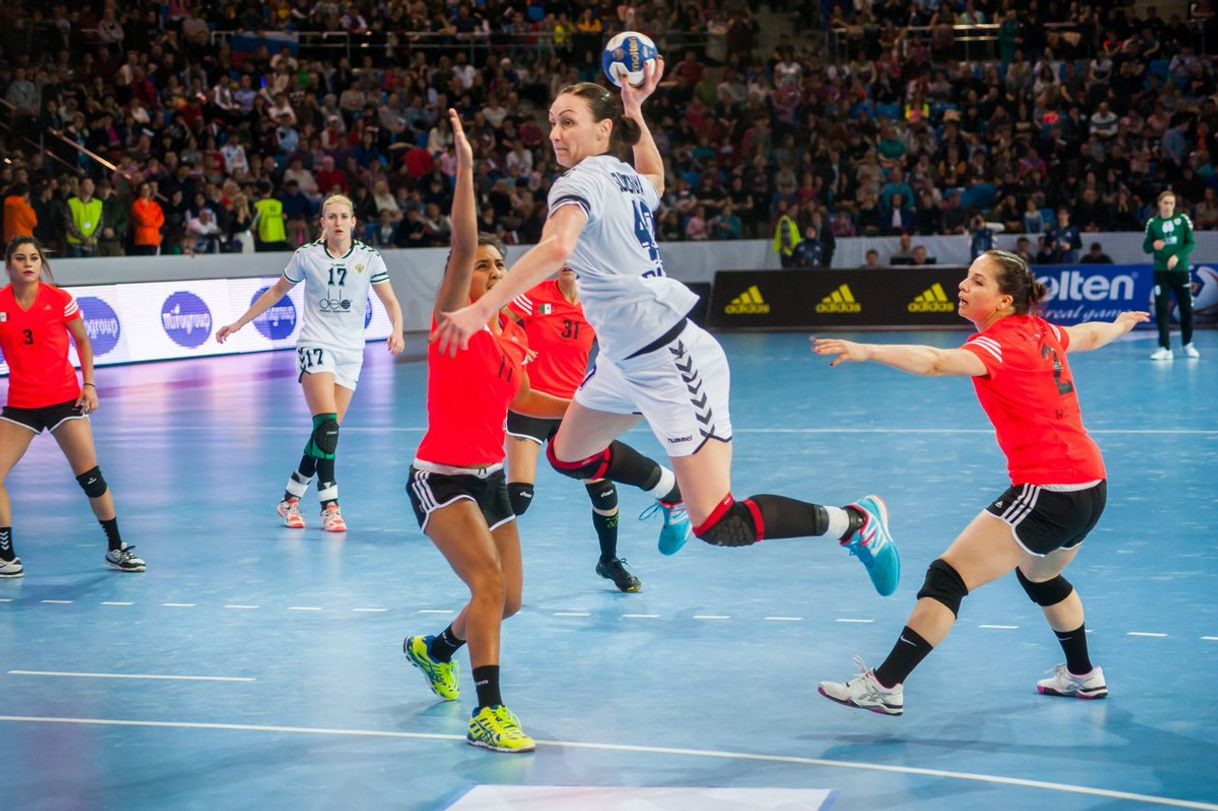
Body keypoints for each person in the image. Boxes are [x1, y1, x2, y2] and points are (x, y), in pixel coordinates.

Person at [433, 65, 898, 595]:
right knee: (566, 453)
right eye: (552, 123)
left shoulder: (578, 182)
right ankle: (668, 491)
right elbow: (654, 175)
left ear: (602, 131)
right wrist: (636, 109)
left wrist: (479, 310)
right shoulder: (622, 178)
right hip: (621, 361)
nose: (556, 133)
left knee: (720, 523)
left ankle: (856, 524)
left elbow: (557, 248)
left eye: (568, 122)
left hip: (671, 360)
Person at [813, 250, 1149, 716]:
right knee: (1041, 575)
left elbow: (933, 361)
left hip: (1048, 489)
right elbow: (1089, 335)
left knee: (948, 577)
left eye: (977, 281)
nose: (963, 287)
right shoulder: (1042, 331)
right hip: (1091, 485)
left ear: (1003, 300)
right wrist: (1120, 325)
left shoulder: (999, 343)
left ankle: (885, 685)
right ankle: (1083, 676)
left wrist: (866, 350)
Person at [401, 110, 570, 754]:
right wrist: (466, 171)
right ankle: (488, 714)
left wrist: (601, 408)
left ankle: (433, 648)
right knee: (488, 585)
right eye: (485, 266)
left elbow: (526, 397)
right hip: (439, 479)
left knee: (511, 600)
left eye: (502, 268)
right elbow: (464, 243)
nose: (495, 273)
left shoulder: (509, 336)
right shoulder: (453, 323)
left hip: (489, 476)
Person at [216, 194, 405, 532]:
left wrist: (398, 329)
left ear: (353, 221)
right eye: (330, 216)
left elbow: (389, 299)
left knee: (325, 435)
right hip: (316, 344)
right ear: (322, 222)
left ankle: (289, 499)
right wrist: (238, 324)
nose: (336, 222)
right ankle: (330, 506)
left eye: (343, 216)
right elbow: (276, 292)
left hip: (351, 351)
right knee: (328, 427)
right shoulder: (306, 256)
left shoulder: (369, 258)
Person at [0, 236, 146, 578]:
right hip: (21, 404)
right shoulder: (1, 304)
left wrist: (89, 384)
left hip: (66, 399)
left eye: (34, 257)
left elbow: (82, 339)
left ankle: (116, 548)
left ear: (41, 262)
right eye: (20, 258)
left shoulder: (59, 299)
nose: (28, 263)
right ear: (9, 266)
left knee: (91, 479)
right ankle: (5, 555)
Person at [504, 267, 641, 593]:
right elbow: (498, 323)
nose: (571, 260)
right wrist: (517, 348)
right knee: (519, 497)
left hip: (573, 409)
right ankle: (483, 554)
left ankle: (609, 560)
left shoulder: (595, 304)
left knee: (603, 488)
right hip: (531, 405)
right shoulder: (534, 294)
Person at [1143, 190, 1197, 360]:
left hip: (1180, 271)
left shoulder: (1182, 220)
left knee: (1186, 309)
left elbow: (1191, 243)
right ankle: (1165, 348)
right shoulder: (1153, 223)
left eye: (1171, 203)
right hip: (1161, 272)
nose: (1168, 206)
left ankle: (1188, 344)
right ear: (1159, 204)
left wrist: (1177, 256)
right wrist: (1154, 245)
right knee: (1161, 310)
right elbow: (1146, 247)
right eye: (1165, 202)